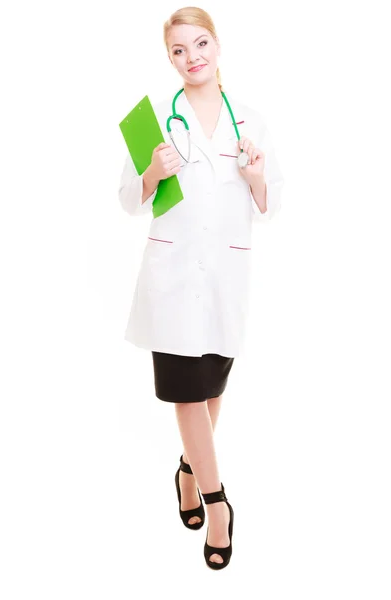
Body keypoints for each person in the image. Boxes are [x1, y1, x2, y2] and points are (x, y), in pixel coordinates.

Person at [118, 6, 284, 569]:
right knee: (186, 394)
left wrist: (257, 176)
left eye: (200, 44)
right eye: (179, 50)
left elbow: (271, 203)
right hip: (170, 279)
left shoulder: (252, 122)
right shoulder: (155, 123)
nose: (192, 58)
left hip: (226, 279)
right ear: (170, 59)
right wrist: (151, 175)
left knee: (211, 389)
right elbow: (127, 199)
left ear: (218, 46)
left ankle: (188, 472)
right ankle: (218, 504)